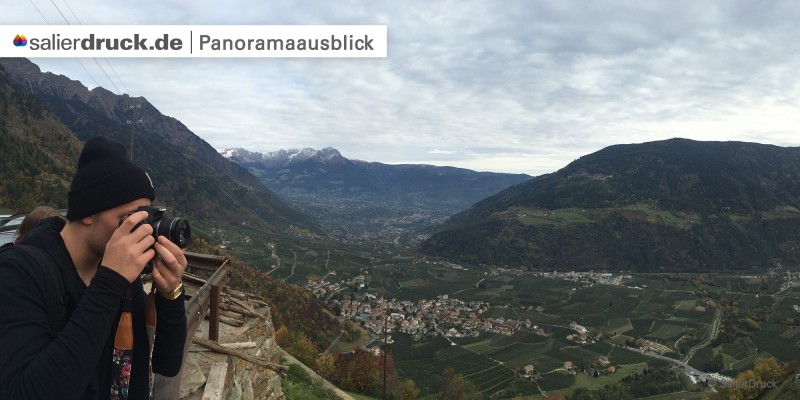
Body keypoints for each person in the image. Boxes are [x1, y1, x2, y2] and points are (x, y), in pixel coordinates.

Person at [0, 136, 188, 400]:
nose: (139, 231)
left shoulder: (123, 279)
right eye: (129, 219)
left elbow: (167, 364)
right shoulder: (18, 273)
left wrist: (171, 294)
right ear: (89, 212)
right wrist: (110, 281)